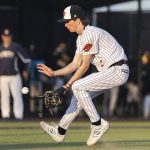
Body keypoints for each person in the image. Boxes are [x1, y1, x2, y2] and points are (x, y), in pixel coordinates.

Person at [37, 5, 129, 146]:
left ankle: (97, 124)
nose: (66, 24)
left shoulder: (90, 33)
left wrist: (66, 86)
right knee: (78, 98)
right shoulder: (80, 38)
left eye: (68, 21)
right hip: (108, 72)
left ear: (78, 20)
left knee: (78, 87)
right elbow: (75, 64)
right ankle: (60, 131)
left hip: (117, 69)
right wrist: (54, 72)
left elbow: (85, 66)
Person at [0, 28, 31, 120]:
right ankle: (5, 115)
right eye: (5, 36)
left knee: (17, 95)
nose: (6, 38)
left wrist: (25, 70)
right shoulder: (0, 48)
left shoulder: (16, 47)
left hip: (14, 75)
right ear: (2, 37)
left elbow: (26, 59)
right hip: (2, 76)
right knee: (4, 96)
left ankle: (18, 115)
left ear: (11, 37)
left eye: (8, 36)